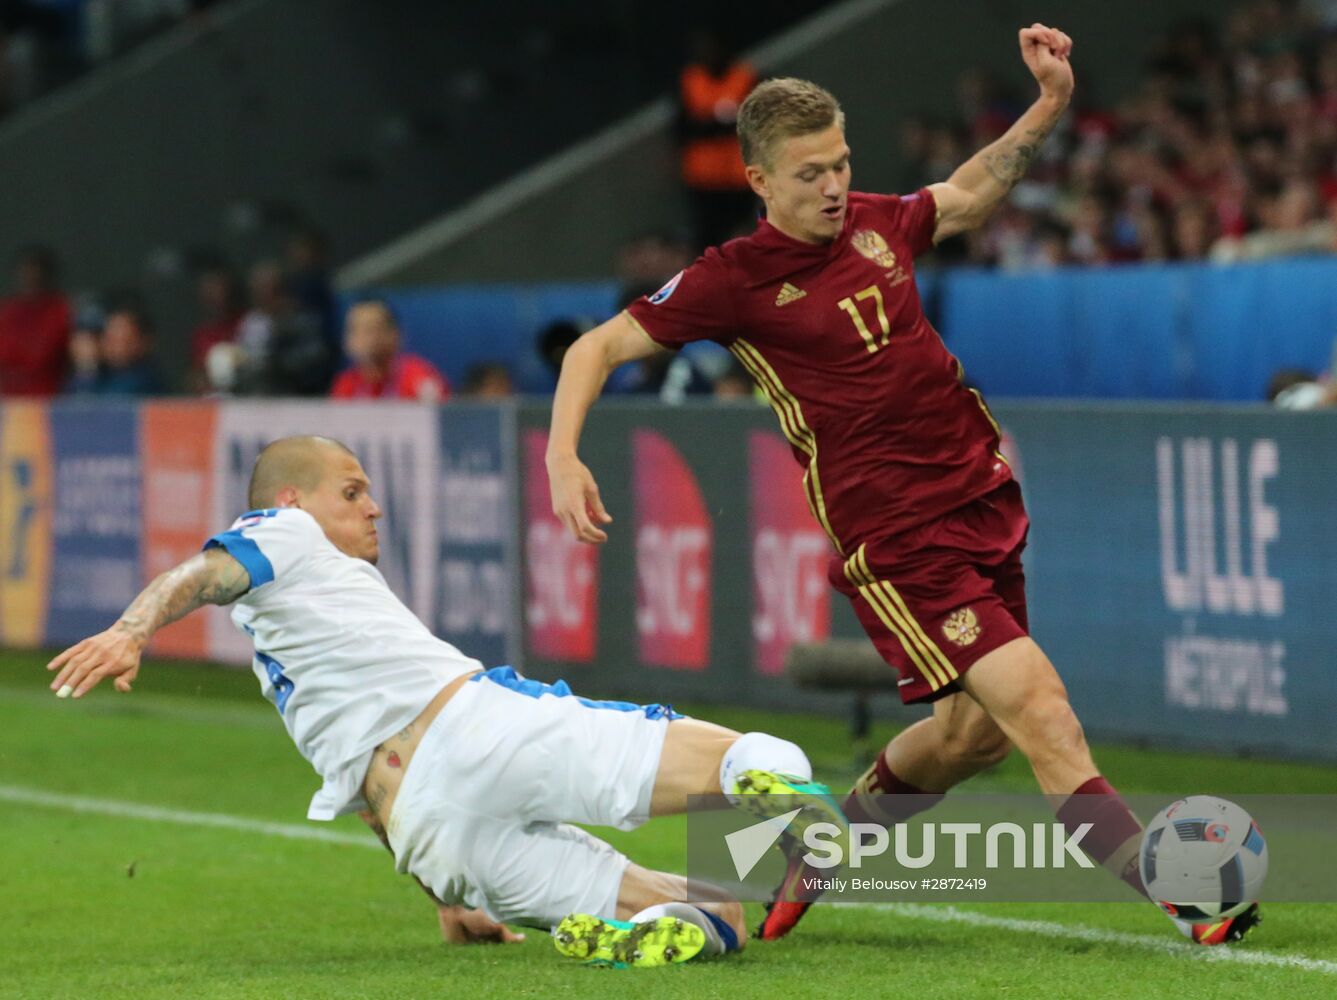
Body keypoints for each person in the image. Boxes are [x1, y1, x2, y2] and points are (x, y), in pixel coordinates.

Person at [546, 25, 1257, 947]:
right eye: (809, 174)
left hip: (980, 500)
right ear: (759, 181)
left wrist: (1048, 105)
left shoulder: (878, 221)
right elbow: (593, 348)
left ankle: (819, 850)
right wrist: (564, 455)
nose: (834, 186)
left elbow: (964, 194)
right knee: (1041, 710)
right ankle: (1191, 899)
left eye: (840, 163)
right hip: (896, 537)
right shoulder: (731, 281)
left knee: (971, 738)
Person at [45, 435, 845, 968]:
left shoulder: (289, 664)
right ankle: (784, 805)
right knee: (748, 754)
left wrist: (445, 899)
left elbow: (368, 798)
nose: (372, 506)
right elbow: (203, 571)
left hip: (434, 841)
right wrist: (132, 628)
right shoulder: (282, 533)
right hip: (477, 731)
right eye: (353, 491)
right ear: (291, 503)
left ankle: (662, 928)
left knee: (721, 917)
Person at [331, 300, 450, 402]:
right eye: (357, 330)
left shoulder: (419, 378)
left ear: (396, 334)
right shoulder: (345, 385)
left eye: (373, 328)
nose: (367, 338)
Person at [0, 244, 71, 397]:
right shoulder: (7, 311)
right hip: (7, 400)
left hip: (47, 399)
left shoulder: (60, 311)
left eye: (36, 272)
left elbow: (42, 357)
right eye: (25, 272)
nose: (30, 278)